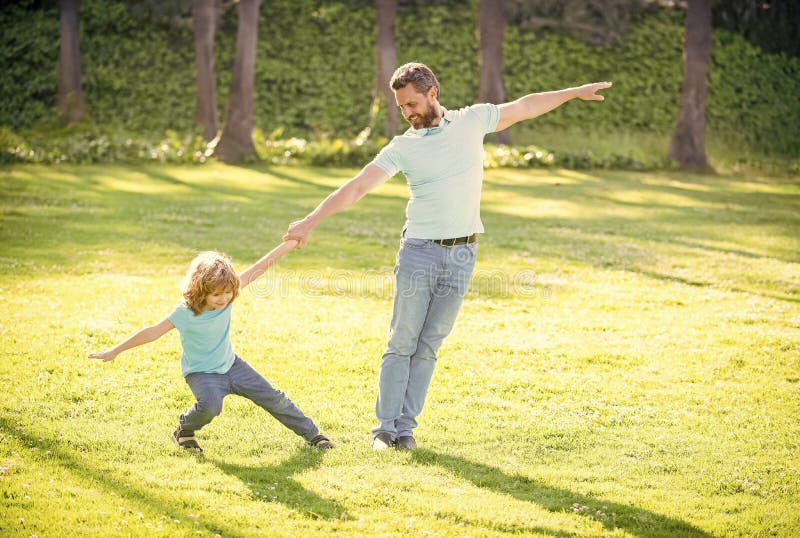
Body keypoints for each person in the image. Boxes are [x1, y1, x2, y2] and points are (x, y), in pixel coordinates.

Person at [284, 62, 612, 451]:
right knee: (402, 342)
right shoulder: (404, 147)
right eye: (402, 107)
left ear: (432, 93)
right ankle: (383, 430)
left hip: (463, 253)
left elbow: (525, 106)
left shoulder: (473, 121)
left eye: (411, 104)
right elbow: (356, 188)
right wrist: (310, 220)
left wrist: (574, 92)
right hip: (419, 253)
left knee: (429, 344)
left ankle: (405, 430)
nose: (407, 113)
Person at [88, 242, 332, 453]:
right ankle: (185, 430)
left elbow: (261, 266)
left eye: (227, 293)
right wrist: (116, 350)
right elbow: (152, 332)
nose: (224, 299)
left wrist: (290, 244)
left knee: (274, 398)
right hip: (202, 373)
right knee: (211, 406)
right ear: (200, 289)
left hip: (232, 365)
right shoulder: (184, 313)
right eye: (216, 294)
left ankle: (314, 436)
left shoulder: (229, 294)